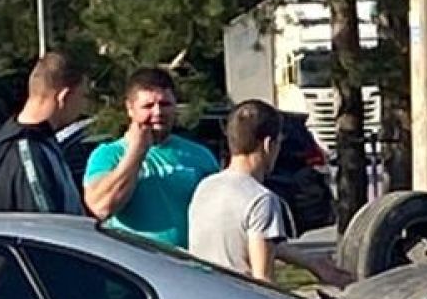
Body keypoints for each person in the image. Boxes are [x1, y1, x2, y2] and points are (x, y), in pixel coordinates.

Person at [188, 98, 346, 286]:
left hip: (204, 298)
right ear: (268, 144)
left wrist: (313, 264)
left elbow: (256, 241)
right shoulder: (260, 199)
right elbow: (263, 281)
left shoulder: (205, 187)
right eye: (279, 142)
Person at [83, 66, 217, 250]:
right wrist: (137, 152)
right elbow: (101, 207)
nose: (158, 113)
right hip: (136, 268)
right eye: (148, 106)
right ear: (130, 108)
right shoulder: (107, 155)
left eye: (165, 104)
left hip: (190, 267)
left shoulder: (200, 155)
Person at [0, 49, 90, 214]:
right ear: (64, 97)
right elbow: (46, 226)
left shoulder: (41, 142)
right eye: (83, 96)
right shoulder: (26, 152)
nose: (83, 106)